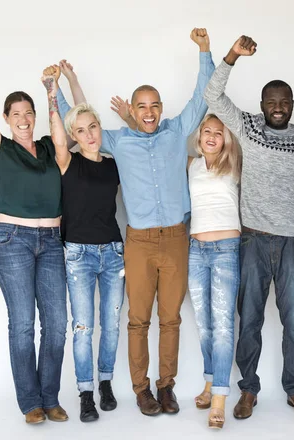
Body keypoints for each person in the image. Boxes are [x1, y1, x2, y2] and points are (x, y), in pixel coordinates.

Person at [57, 28, 215, 416]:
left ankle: (166, 388)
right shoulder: (116, 140)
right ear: (133, 108)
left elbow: (203, 96)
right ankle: (141, 390)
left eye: (154, 105)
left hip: (177, 237)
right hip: (139, 241)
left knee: (171, 318)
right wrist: (55, 88)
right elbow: (76, 122)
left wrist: (205, 51)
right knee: (138, 320)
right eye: (141, 106)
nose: (148, 112)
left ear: (161, 108)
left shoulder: (178, 131)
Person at [204, 35, 294, 420]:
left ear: (292, 105)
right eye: (271, 102)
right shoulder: (248, 128)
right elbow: (213, 96)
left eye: (285, 102)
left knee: (293, 323)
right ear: (262, 105)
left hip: (290, 241)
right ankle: (248, 390)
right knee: (249, 319)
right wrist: (233, 55)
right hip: (251, 238)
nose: (278, 108)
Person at [0, 22, 68, 424]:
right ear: (7, 119)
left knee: (56, 324)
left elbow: (65, 140)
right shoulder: (0, 148)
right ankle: (31, 403)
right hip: (12, 241)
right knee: (23, 324)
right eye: (16, 114)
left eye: (29, 113)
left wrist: (51, 92)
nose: (24, 119)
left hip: (53, 240)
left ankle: (50, 395)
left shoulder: (48, 147)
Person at [42, 63, 125, 423]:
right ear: (73, 134)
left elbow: (83, 113)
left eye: (93, 128)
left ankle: (106, 381)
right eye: (81, 130)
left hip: (113, 253)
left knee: (111, 323)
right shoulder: (67, 161)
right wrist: (51, 93)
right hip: (78, 254)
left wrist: (74, 81)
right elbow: (63, 128)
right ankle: (86, 391)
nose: (89, 134)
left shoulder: (112, 164)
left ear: (99, 130)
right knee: (83, 327)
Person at [187, 114, 242, 429]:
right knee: (204, 325)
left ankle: (219, 396)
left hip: (225, 250)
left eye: (217, 133)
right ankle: (209, 382)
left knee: (222, 326)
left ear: (226, 139)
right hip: (196, 250)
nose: (211, 136)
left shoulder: (234, 161)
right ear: (199, 136)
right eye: (206, 131)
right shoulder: (191, 165)